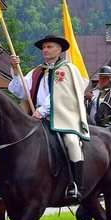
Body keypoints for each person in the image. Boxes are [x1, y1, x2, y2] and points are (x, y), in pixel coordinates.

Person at [8, 35, 90, 201]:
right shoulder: (37, 71)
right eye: (44, 47)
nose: (45, 50)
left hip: (62, 117)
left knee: (72, 142)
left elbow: (62, 95)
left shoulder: (68, 69)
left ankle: (75, 185)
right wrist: (16, 70)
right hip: (36, 118)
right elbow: (20, 90)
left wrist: (43, 111)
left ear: (59, 50)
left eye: (49, 47)